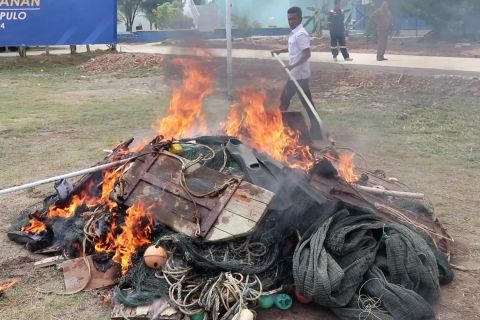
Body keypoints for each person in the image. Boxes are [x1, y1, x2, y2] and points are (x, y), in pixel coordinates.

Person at [271, 7, 322, 140]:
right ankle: (316, 132)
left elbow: (306, 53)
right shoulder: (294, 33)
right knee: (306, 103)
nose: (291, 21)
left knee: (284, 101)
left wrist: (292, 65)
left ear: (300, 18)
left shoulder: (301, 34)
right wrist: (280, 50)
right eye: (289, 19)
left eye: (293, 18)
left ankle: (276, 127)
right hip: (296, 75)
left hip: (299, 76)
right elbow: (293, 49)